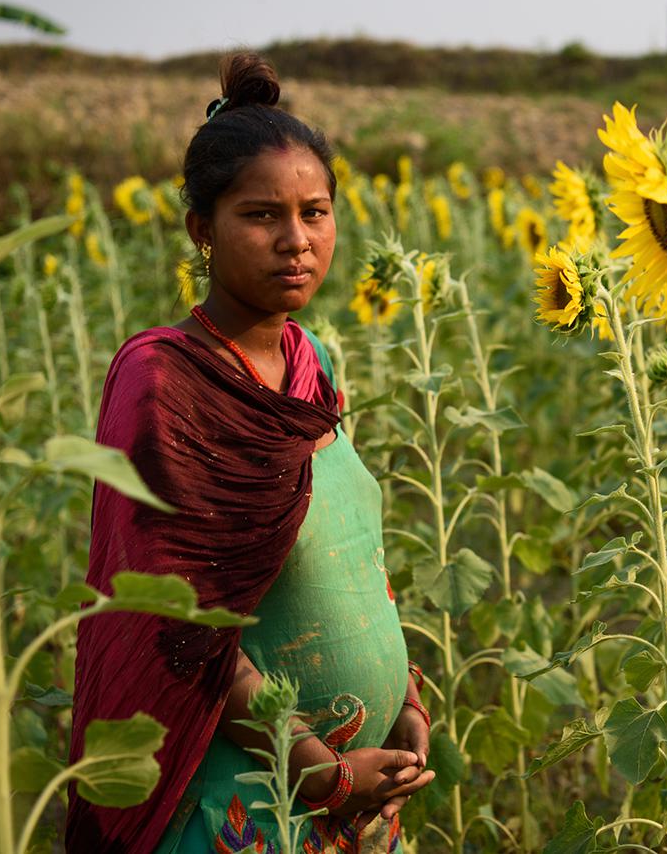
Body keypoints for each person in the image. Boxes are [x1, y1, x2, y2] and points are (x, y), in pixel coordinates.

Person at [66, 53, 434, 853]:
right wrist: (320, 772)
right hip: (249, 802)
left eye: (316, 211)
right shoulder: (165, 381)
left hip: (361, 803)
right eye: (262, 216)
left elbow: (350, 554)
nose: (296, 241)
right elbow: (181, 626)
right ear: (203, 229)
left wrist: (405, 699)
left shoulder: (313, 362)